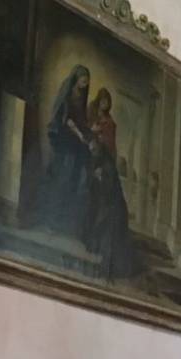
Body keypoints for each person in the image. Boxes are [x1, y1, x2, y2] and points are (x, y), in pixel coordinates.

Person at [37, 65, 93, 241]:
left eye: (87, 80)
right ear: (76, 78)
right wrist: (79, 134)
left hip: (75, 146)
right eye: (83, 79)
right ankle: (49, 221)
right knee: (60, 179)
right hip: (64, 143)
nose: (85, 83)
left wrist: (87, 133)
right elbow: (67, 120)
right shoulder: (68, 93)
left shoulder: (82, 98)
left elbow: (81, 121)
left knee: (70, 182)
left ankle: (60, 222)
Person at [84, 88, 134, 282]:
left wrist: (104, 165)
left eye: (107, 102)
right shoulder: (92, 117)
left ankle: (107, 249)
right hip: (95, 162)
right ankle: (93, 241)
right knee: (96, 204)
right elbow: (90, 139)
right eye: (102, 101)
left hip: (105, 165)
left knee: (111, 208)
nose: (104, 105)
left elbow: (110, 147)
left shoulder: (110, 123)